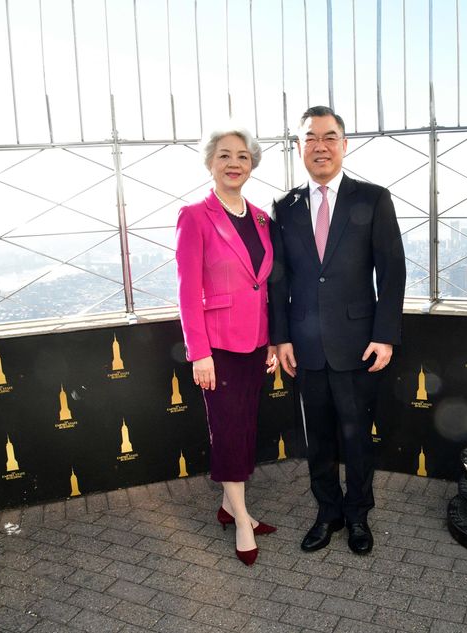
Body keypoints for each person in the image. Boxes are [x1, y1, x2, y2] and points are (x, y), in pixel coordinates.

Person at [268, 106, 406, 555]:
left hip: (358, 345)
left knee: (357, 437)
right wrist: (281, 337)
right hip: (305, 347)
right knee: (319, 440)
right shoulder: (284, 207)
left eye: (329, 137)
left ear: (344, 145)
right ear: (299, 147)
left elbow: (392, 271)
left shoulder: (373, 199)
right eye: (311, 138)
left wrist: (384, 335)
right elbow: (279, 279)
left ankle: (358, 515)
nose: (320, 146)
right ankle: (327, 512)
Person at [175, 126, 279, 567]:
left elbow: (267, 285)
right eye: (224, 155)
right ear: (210, 163)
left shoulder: (261, 218)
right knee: (230, 432)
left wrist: (273, 340)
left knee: (246, 427)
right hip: (217, 348)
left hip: (256, 343)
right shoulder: (194, 215)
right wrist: (199, 351)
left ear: (252, 164)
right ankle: (241, 520)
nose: (234, 163)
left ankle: (229, 505)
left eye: (242, 156)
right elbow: (186, 289)